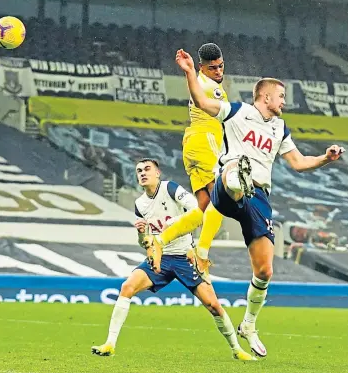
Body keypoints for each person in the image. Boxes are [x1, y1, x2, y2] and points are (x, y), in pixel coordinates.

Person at [174, 48, 346, 358]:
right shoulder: (237, 111)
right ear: (265, 97)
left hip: (258, 198)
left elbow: (298, 162)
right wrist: (189, 71)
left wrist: (325, 158)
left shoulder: (280, 128)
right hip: (228, 188)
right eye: (280, 96)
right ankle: (235, 178)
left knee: (265, 270)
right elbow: (201, 102)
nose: (284, 101)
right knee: (233, 172)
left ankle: (249, 325)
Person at [91, 158, 256, 361]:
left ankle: (236, 349)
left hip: (185, 256)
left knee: (213, 305)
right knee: (127, 287)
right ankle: (110, 344)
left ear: (157, 173)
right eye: (139, 170)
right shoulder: (139, 204)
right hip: (162, 257)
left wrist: (174, 222)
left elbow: (196, 209)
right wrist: (142, 234)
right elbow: (146, 243)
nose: (143, 173)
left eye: (147, 169)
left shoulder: (170, 188)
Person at [143, 43, 227, 278]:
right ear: (203, 67)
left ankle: (161, 240)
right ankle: (200, 254)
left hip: (193, 144)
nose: (218, 72)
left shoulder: (201, 80)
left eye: (221, 66)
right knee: (222, 201)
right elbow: (228, 115)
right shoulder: (211, 87)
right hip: (206, 141)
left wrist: (190, 72)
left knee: (202, 208)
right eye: (213, 68)